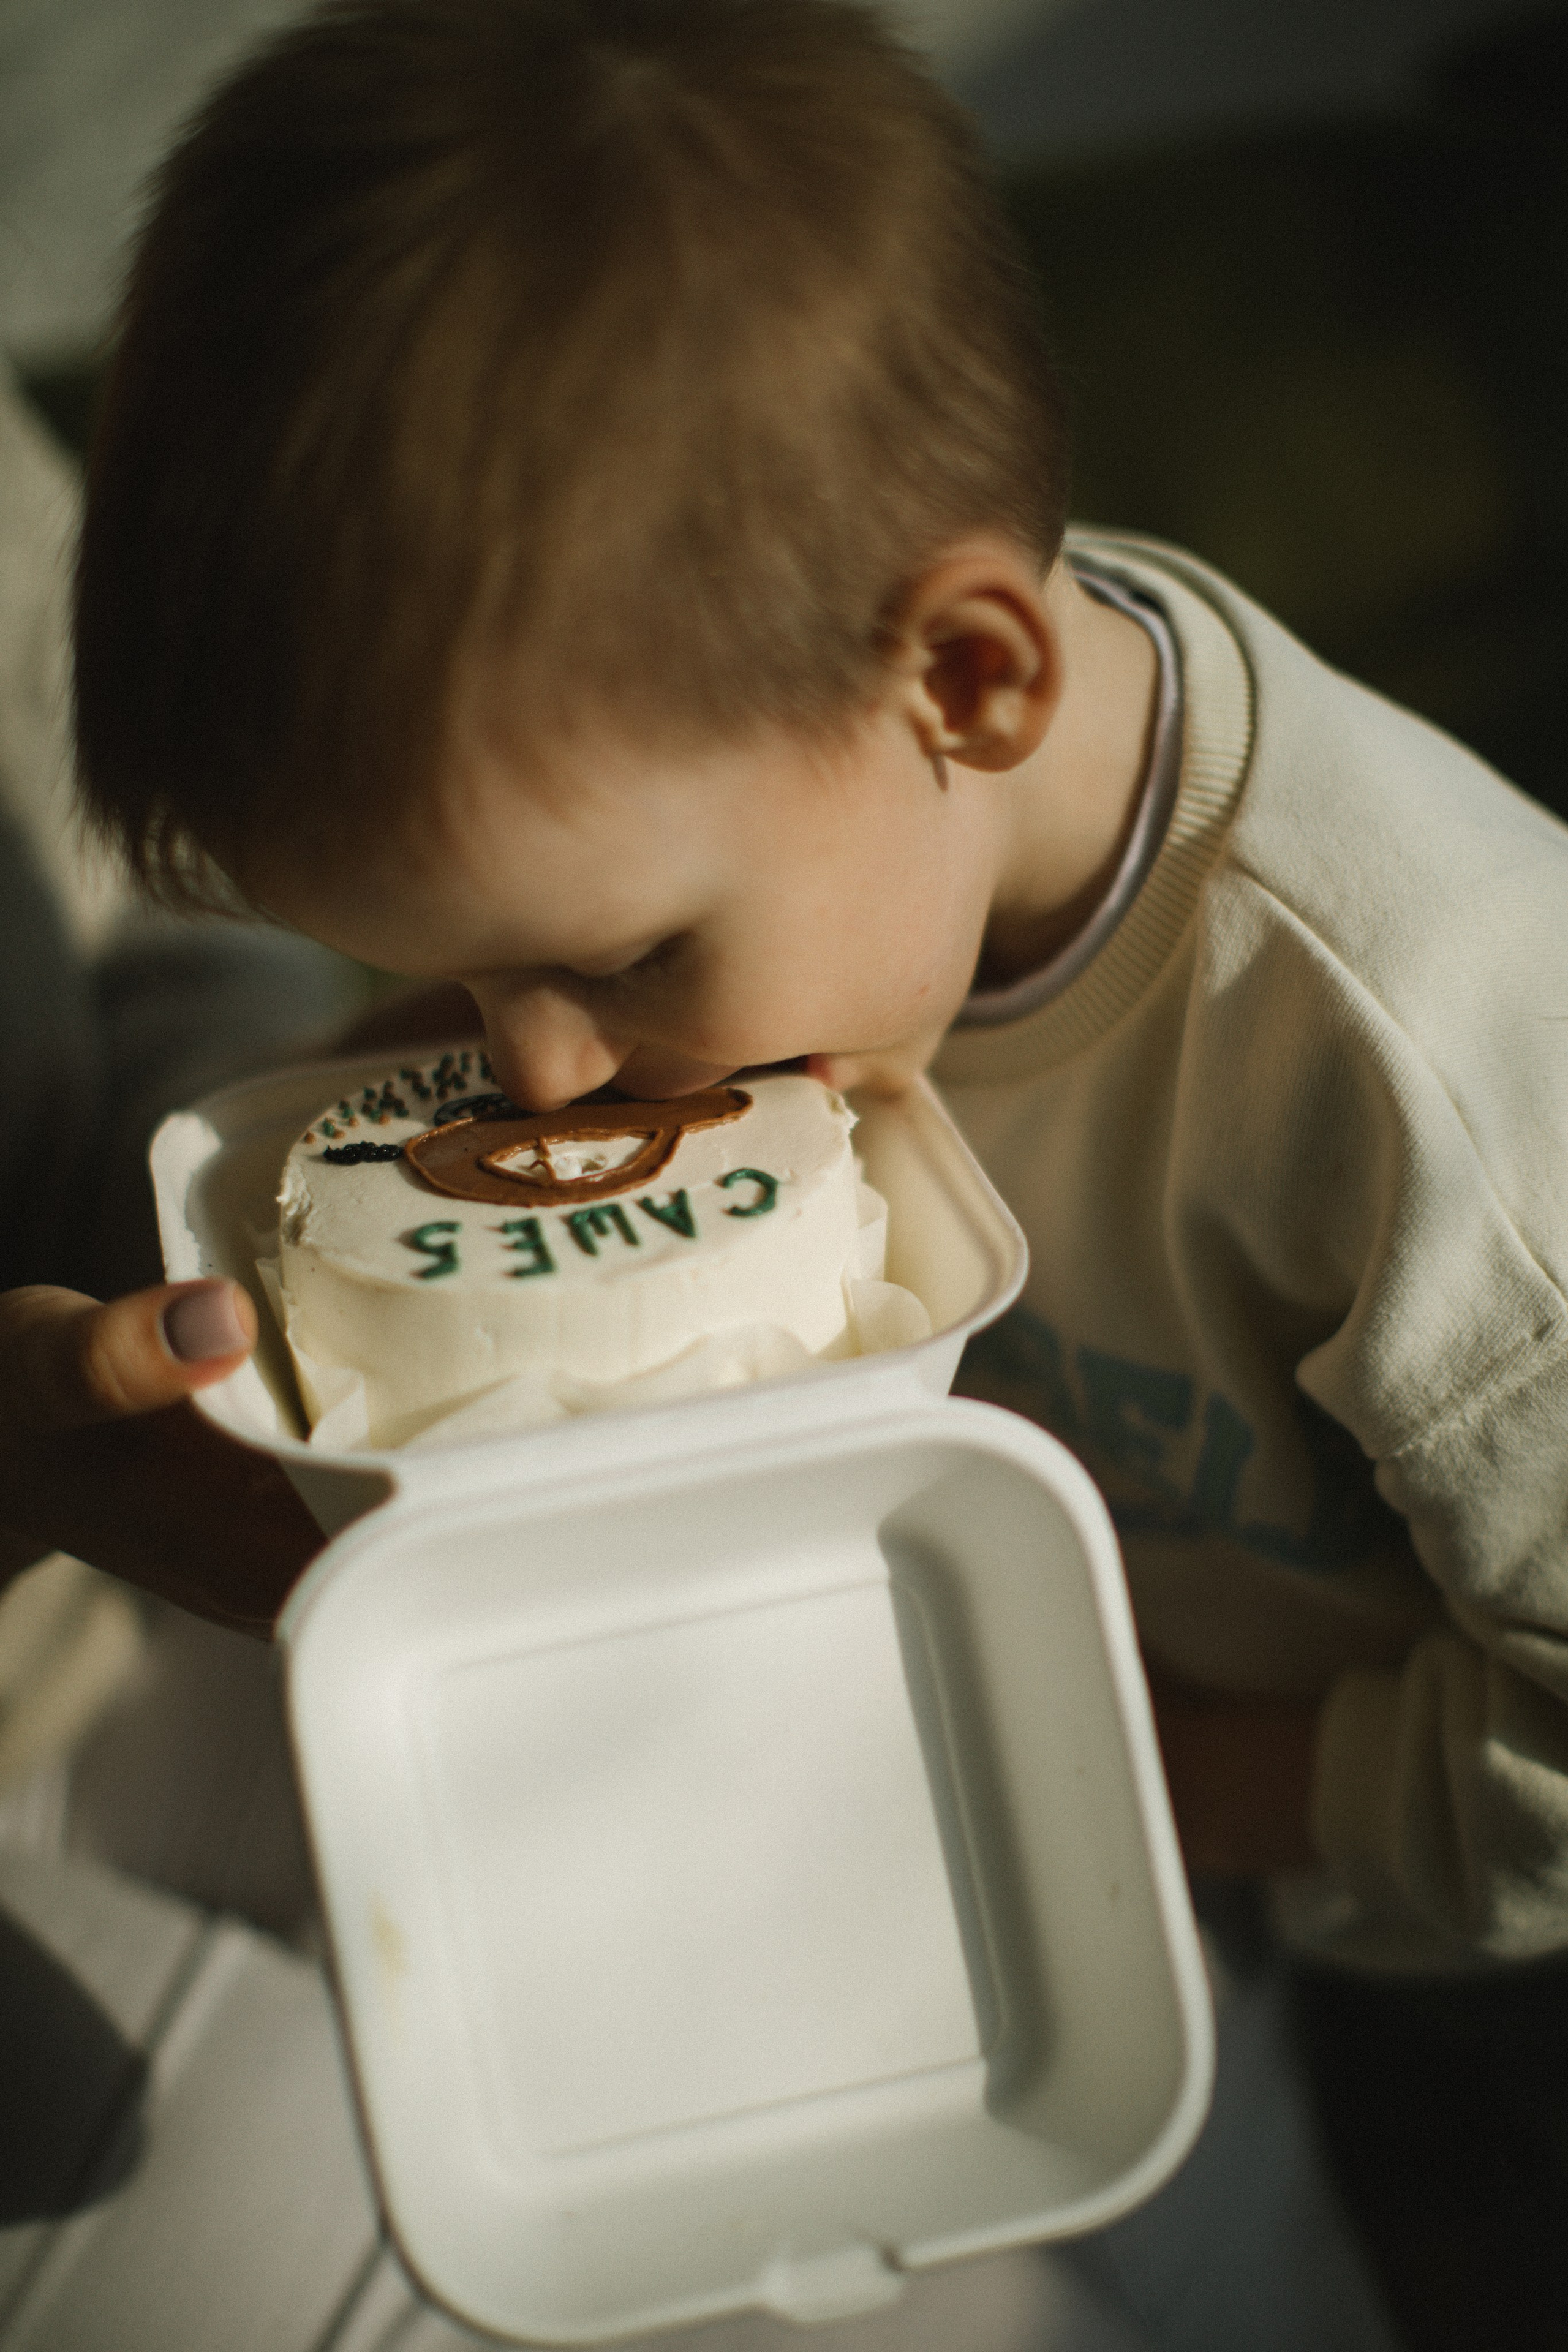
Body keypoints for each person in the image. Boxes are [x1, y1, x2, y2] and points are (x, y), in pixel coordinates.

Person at [61, 0, 1568, 2340]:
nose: (544, 1081)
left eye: (618, 958)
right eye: (456, 987)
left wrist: (1176, 1782)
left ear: (967, 682)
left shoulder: (1436, 1063)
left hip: (1359, 1826)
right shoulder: (830, 803)